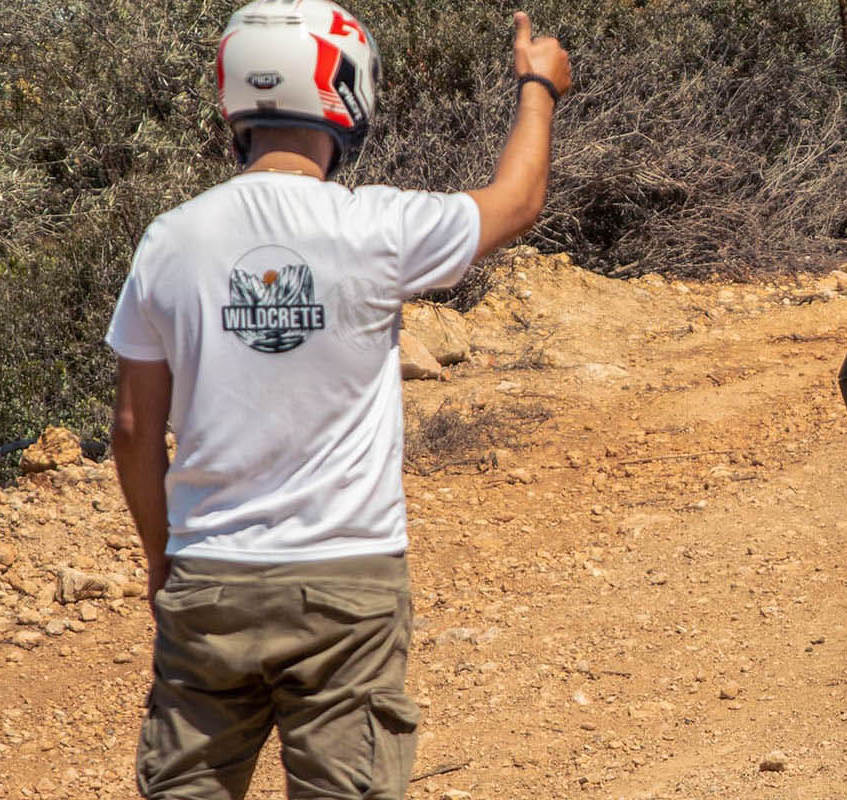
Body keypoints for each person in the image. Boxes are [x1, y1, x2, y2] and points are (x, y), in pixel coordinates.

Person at [106, 3, 569, 796]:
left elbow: (132, 429)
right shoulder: (375, 227)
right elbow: (517, 200)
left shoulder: (169, 240)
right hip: (346, 587)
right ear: (345, 92)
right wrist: (538, 86)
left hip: (211, 578)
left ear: (234, 97)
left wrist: (163, 562)